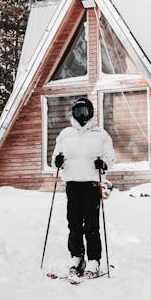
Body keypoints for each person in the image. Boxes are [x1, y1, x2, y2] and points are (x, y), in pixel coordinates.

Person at [52, 97, 115, 277]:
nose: (81, 115)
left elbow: (111, 158)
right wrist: (58, 161)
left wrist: (103, 164)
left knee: (92, 225)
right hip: (72, 185)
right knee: (74, 224)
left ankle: (94, 260)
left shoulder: (101, 134)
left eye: (84, 111)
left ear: (91, 112)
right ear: (73, 113)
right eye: (78, 111)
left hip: (91, 185)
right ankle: (77, 257)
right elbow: (55, 159)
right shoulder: (65, 134)